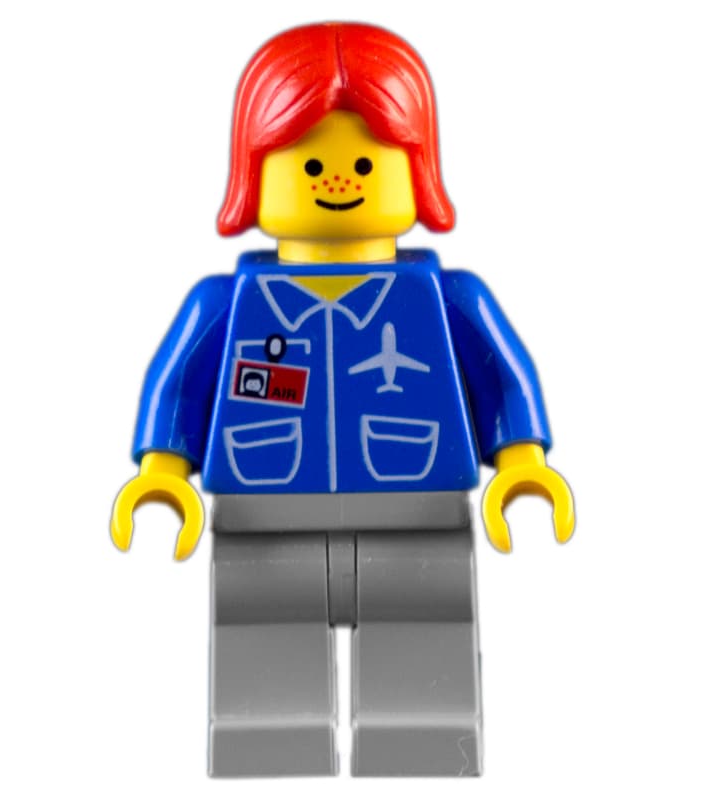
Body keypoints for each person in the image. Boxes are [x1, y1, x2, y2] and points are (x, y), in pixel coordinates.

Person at [111, 21, 574, 777]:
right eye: (309, 163)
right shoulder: (223, 305)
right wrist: (162, 473)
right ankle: (267, 746)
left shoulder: (449, 297)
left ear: (415, 171)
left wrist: (522, 462)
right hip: (262, 519)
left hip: (420, 512)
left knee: (425, 642)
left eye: (364, 162)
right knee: (262, 650)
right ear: (255, 173)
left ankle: (425, 744)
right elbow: (178, 383)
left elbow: (504, 376)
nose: (337, 180)